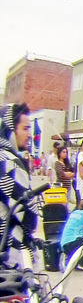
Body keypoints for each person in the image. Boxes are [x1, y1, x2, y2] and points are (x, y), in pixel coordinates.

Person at [0, 104, 42, 269]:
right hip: (11, 255)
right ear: (10, 129)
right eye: (25, 128)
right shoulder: (8, 162)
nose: (29, 134)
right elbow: (28, 216)